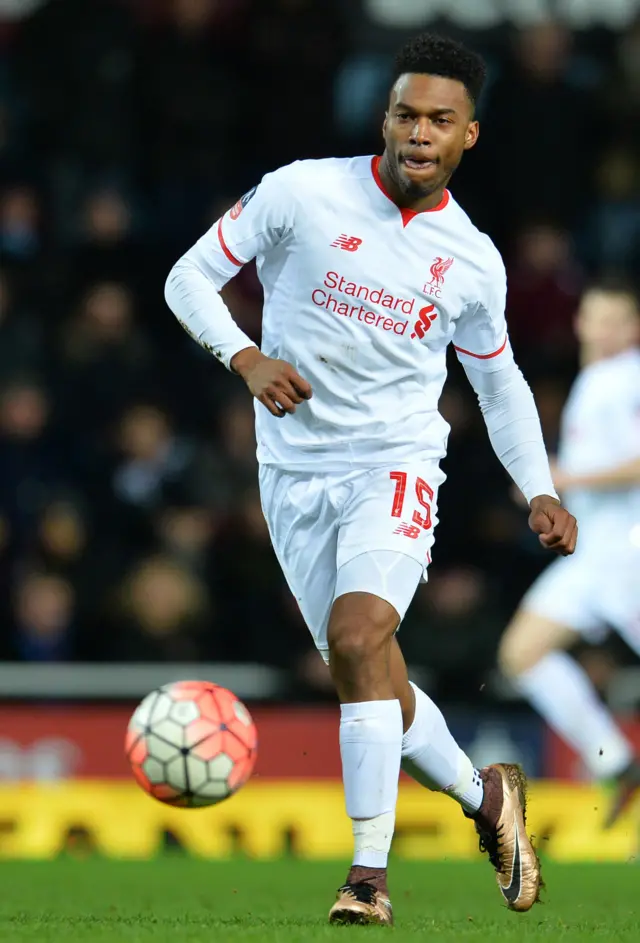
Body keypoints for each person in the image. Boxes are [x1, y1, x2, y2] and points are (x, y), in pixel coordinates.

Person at [165, 33, 577, 926]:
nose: (418, 132)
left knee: (358, 638)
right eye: (405, 113)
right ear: (383, 117)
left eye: (440, 119)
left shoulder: (471, 259)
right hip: (292, 472)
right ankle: (485, 796)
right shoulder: (301, 191)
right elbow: (188, 276)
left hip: (393, 463)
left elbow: (498, 380)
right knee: (370, 670)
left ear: (470, 135)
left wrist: (537, 487)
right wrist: (243, 355)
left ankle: (367, 874)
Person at [499, 283, 640, 827]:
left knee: (523, 653)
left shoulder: (623, 380)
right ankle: (617, 759)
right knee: (521, 653)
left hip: (627, 553)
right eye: (594, 317)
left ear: (632, 330)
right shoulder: (597, 379)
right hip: (595, 557)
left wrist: (564, 477)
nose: (602, 330)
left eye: (616, 321)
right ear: (580, 321)